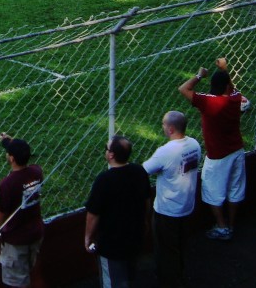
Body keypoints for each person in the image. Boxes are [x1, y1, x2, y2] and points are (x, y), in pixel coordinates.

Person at [179, 57, 249, 241]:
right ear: (227, 86)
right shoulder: (236, 99)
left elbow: (183, 89)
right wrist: (224, 70)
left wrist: (199, 75)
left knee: (212, 190)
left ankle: (222, 226)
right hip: (237, 151)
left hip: (217, 155)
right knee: (235, 188)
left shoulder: (208, 102)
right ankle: (232, 225)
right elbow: (233, 90)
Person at [142, 111, 201, 288]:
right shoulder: (194, 144)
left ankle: (171, 281)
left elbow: (143, 170)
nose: (162, 127)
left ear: (170, 128)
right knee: (180, 245)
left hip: (167, 210)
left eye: (163, 124)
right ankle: (177, 274)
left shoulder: (165, 152)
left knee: (165, 251)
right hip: (187, 206)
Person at [84, 135, 151, 288]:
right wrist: (145, 221)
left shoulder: (104, 180)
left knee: (113, 281)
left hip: (111, 244)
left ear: (111, 155)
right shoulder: (139, 171)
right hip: (135, 235)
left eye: (106, 148)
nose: (105, 151)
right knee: (129, 273)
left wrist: (88, 237)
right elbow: (147, 199)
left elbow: (93, 214)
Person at [0, 133, 43, 288]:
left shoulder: (8, 183)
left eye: (8, 153)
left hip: (16, 240)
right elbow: (21, 152)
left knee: (14, 282)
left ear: (11, 158)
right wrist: (8, 142)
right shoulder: (36, 172)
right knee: (27, 271)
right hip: (35, 233)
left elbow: (0, 214)